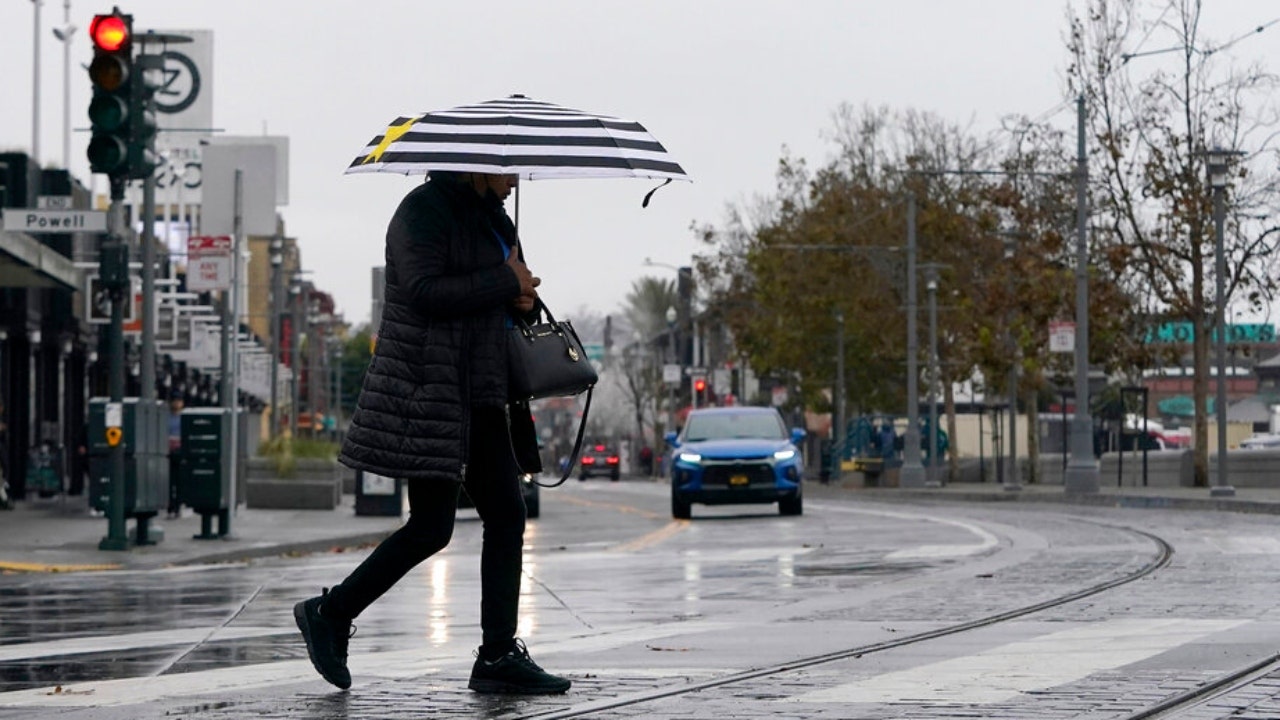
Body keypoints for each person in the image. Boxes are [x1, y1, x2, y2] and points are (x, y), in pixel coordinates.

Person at [293, 171, 570, 695]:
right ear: (476, 166)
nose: (514, 180)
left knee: (508, 514)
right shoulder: (420, 211)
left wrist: (523, 298)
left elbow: (504, 290)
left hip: (483, 389)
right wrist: (502, 283)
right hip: (430, 389)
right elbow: (423, 292)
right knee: (431, 526)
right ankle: (328, 613)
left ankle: (497, 655)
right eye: (506, 169)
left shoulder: (495, 221)